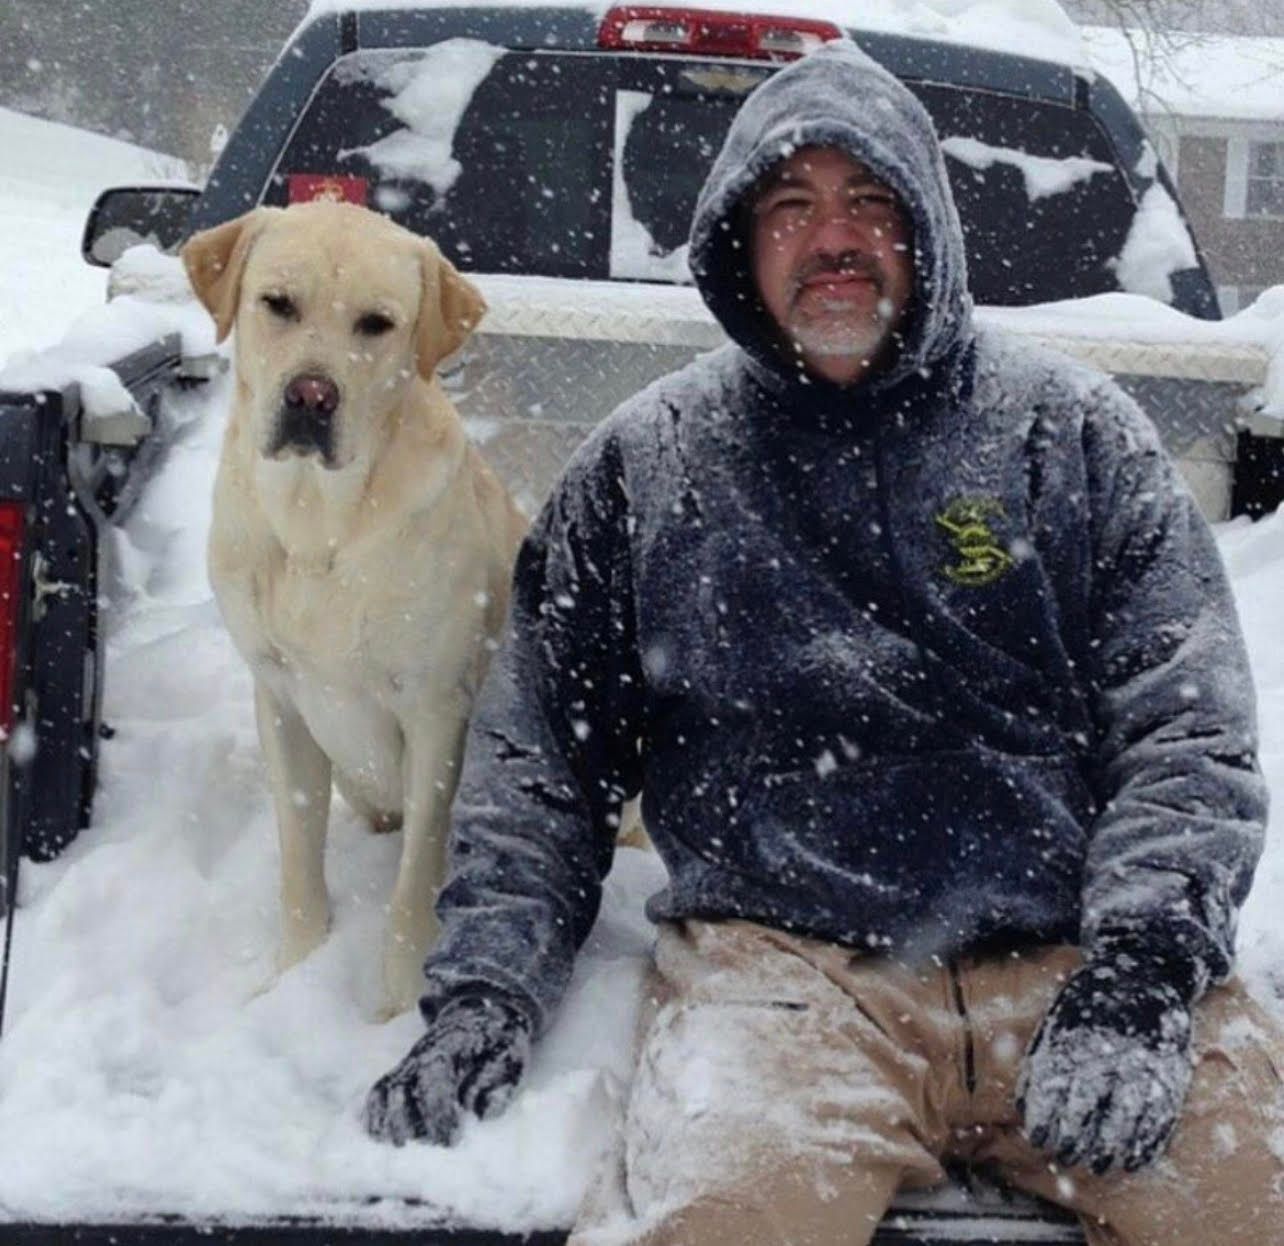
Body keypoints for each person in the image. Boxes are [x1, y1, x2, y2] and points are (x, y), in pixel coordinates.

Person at [363, 39, 1284, 1245]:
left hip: (1074, 965)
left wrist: (1143, 976)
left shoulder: (1073, 437)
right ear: (740, 243)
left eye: (868, 202)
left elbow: (1189, 728)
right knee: (735, 1219)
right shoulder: (650, 465)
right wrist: (487, 989)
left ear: (928, 231)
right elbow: (544, 759)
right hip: (783, 986)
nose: (831, 236)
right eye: (791, 205)